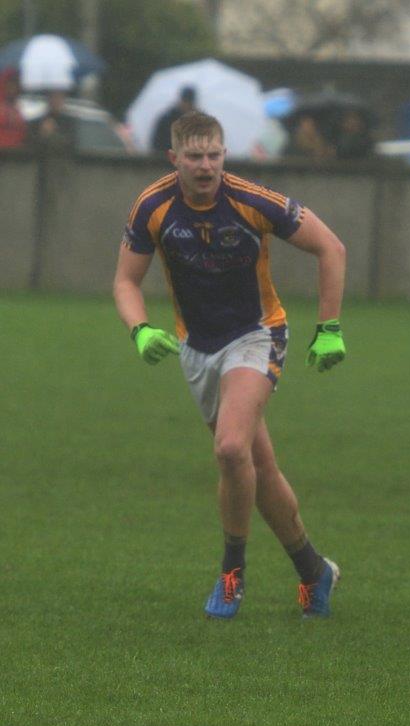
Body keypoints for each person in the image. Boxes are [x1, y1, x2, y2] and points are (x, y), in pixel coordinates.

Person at [112, 112, 348, 620]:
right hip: (197, 347)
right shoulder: (152, 205)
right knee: (256, 468)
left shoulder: (251, 200)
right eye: (194, 157)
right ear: (173, 158)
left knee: (230, 447)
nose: (205, 166)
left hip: (256, 335)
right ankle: (313, 570)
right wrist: (140, 329)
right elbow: (126, 281)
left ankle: (232, 571)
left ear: (225, 154)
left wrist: (329, 328)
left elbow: (331, 247)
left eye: (214, 155)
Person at [25, 89, 75, 153]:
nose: (56, 101)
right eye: (54, 97)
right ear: (48, 99)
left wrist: (52, 134)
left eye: (59, 98)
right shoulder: (36, 123)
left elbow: (69, 144)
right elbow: (30, 144)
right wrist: (42, 133)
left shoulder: (69, 123)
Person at [151, 86, 198, 153]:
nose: (187, 105)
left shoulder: (199, 122)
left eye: (189, 102)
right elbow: (157, 143)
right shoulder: (166, 120)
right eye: (185, 101)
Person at [0, 68, 27, 149]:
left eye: (16, 84)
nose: (13, 88)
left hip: (17, 154)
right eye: (10, 84)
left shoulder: (21, 107)